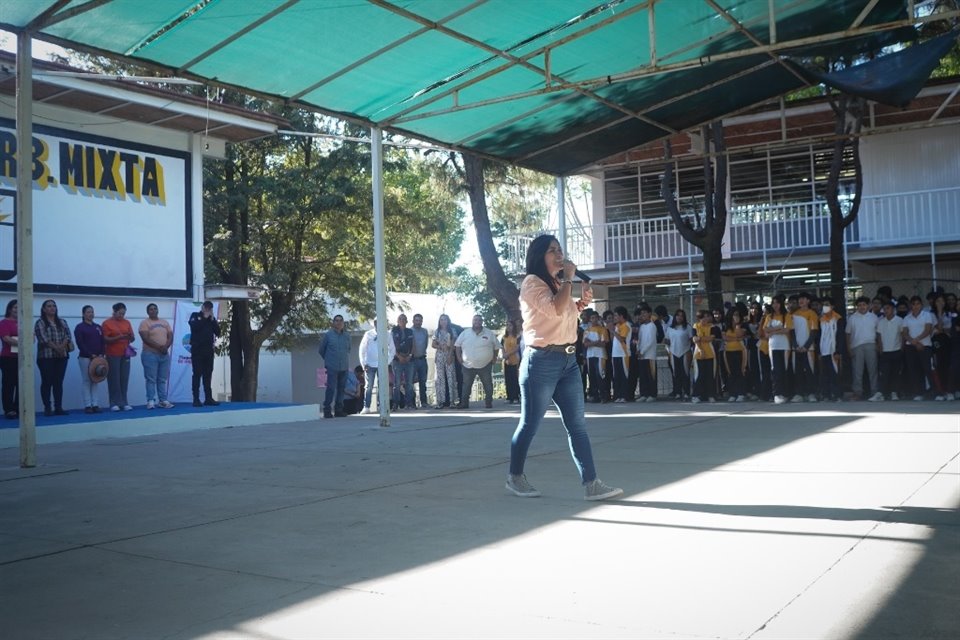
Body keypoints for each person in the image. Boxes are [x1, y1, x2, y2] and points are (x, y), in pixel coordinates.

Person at [506, 235, 622, 501]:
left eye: (560, 250)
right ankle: (514, 477)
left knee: (577, 426)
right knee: (530, 425)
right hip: (542, 362)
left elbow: (565, 314)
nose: (559, 254)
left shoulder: (558, 283)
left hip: (568, 362)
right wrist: (570, 279)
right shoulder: (532, 283)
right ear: (539, 256)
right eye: (552, 251)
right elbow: (555, 309)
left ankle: (592, 483)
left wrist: (580, 304)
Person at [35, 299, 74, 416]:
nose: (52, 308)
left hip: (62, 357)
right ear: (44, 309)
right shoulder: (40, 322)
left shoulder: (62, 321)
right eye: (49, 306)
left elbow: (68, 335)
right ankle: (47, 408)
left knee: (58, 382)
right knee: (47, 382)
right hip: (46, 357)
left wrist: (62, 347)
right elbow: (43, 339)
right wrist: (58, 348)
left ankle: (58, 407)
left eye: (54, 306)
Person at [454, 314, 501, 409]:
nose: (477, 322)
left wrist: (495, 357)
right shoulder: (465, 333)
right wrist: (459, 358)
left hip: (485, 365)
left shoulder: (489, 333)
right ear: (472, 321)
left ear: (482, 322)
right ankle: (464, 403)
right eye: (475, 320)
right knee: (466, 385)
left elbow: (496, 347)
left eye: (479, 320)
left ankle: (488, 402)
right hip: (468, 365)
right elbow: (457, 345)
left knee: (488, 384)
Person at [139, 303, 174, 410]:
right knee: (151, 379)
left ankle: (162, 400)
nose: (153, 311)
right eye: (151, 309)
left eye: (155, 309)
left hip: (164, 354)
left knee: (162, 379)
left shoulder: (164, 322)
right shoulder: (144, 323)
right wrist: (160, 347)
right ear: (147, 312)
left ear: (158, 310)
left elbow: (170, 336)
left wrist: (166, 347)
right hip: (150, 354)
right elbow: (145, 338)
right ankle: (150, 401)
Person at [846, 295, 882, 402]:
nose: (862, 307)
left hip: (871, 345)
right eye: (859, 305)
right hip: (856, 346)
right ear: (857, 306)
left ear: (869, 305)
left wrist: (879, 345)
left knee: (873, 370)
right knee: (857, 371)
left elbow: (878, 333)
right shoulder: (852, 318)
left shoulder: (874, 317)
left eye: (864, 305)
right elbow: (847, 334)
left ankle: (875, 392)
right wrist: (849, 348)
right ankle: (857, 393)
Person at [102, 302, 136, 412]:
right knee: (114, 378)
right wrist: (118, 337)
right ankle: (113, 402)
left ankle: (124, 402)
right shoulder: (107, 323)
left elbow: (132, 338)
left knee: (124, 378)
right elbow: (105, 339)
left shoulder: (127, 322)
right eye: (120, 313)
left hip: (125, 354)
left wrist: (130, 337)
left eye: (123, 313)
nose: (122, 316)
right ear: (114, 312)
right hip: (112, 354)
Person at [358, 318, 396, 414]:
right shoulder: (368, 334)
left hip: (382, 365)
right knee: (369, 386)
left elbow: (392, 349)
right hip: (370, 364)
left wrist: (387, 362)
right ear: (374, 324)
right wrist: (364, 363)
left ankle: (381, 406)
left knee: (382, 386)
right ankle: (366, 406)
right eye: (376, 323)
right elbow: (362, 350)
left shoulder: (387, 334)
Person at [761, 295, 793, 405]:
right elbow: (765, 330)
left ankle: (785, 393)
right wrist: (778, 329)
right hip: (773, 346)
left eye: (777, 303)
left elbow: (787, 329)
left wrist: (773, 331)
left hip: (784, 346)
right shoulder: (769, 316)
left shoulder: (786, 315)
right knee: (775, 370)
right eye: (773, 303)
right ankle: (777, 394)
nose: (775, 305)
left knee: (784, 369)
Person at [902, 295, 935, 401]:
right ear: (910, 305)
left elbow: (928, 330)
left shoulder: (927, 315)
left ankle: (934, 392)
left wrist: (917, 340)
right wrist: (914, 342)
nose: (915, 306)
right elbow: (905, 333)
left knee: (927, 369)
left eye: (918, 304)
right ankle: (918, 393)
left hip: (925, 346)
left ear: (921, 305)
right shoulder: (907, 318)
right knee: (914, 371)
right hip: (911, 347)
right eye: (913, 304)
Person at [74, 305, 106, 413]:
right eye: (88, 312)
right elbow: (80, 343)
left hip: (98, 358)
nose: (90, 314)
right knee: (87, 380)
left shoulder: (98, 327)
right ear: (83, 314)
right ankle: (88, 405)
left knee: (95, 380)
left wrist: (101, 354)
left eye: (92, 312)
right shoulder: (80, 327)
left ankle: (95, 404)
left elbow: (102, 342)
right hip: (85, 358)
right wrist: (89, 354)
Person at [188, 301, 220, 407]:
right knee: (197, 374)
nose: (207, 309)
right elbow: (195, 327)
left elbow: (218, 332)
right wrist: (205, 317)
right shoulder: (195, 316)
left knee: (208, 374)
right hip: (197, 350)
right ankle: (196, 399)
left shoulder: (211, 319)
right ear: (202, 307)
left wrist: (212, 320)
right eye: (206, 307)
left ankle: (208, 398)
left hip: (208, 351)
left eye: (209, 308)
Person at [318, 314, 350, 418]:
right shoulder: (328, 335)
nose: (339, 322)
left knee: (341, 389)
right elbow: (321, 350)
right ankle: (327, 410)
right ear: (333, 322)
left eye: (341, 320)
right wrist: (329, 361)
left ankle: (338, 410)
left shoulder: (347, 336)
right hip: (332, 366)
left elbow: (348, 349)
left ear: (343, 323)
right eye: (336, 320)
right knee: (331, 389)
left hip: (344, 367)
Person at [791, 292, 820, 402]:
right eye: (800, 299)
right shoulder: (793, 314)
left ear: (808, 301)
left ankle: (811, 393)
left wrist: (806, 346)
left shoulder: (812, 313)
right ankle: (799, 393)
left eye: (803, 298)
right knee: (797, 371)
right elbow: (792, 331)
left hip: (809, 348)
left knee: (810, 371)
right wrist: (795, 345)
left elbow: (814, 331)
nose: (801, 301)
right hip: (796, 348)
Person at [876, 300, 904, 401]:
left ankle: (894, 393)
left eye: (888, 308)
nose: (886, 310)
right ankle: (881, 393)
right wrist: (880, 348)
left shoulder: (899, 320)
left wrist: (902, 348)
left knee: (895, 373)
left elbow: (902, 335)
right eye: (885, 308)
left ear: (893, 309)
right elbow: (878, 335)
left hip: (896, 350)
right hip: (885, 352)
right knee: (884, 373)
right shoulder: (881, 321)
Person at [818, 298, 844, 402]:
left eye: (827, 304)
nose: (825, 306)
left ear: (832, 306)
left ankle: (837, 395)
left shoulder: (838, 318)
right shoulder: (821, 319)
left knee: (835, 373)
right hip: (823, 350)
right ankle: (826, 395)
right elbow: (819, 336)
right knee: (825, 374)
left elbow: (840, 336)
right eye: (823, 304)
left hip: (833, 350)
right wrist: (819, 351)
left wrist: (838, 350)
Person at [692, 310, 721, 403]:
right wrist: (700, 349)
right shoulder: (696, 326)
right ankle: (696, 395)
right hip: (698, 353)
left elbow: (711, 338)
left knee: (710, 375)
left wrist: (700, 338)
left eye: (706, 317)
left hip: (710, 353)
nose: (705, 319)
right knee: (699, 375)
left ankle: (711, 395)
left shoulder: (712, 327)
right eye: (703, 317)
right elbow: (694, 339)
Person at [664, 309, 692, 400]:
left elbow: (691, 339)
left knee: (685, 373)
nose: (679, 317)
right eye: (678, 315)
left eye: (681, 316)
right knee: (676, 373)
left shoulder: (687, 327)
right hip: (673, 353)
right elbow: (667, 340)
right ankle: (678, 392)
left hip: (685, 352)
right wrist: (668, 349)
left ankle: (687, 392)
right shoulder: (670, 328)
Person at [582, 311, 609, 403]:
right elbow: (585, 344)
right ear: (590, 319)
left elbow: (603, 344)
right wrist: (596, 342)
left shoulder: (603, 329)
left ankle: (603, 396)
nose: (594, 320)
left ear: (598, 318)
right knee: (592, 376)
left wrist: (591, 343)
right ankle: (595, 396)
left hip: (600, 355)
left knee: (600, 376)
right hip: (590, 356)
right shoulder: (587, 331)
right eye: (592, 318)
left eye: (596, 318)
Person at [432, 314, 457, 409]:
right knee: (439, 378)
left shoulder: (452, 331)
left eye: (445, 320)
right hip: (439, 355)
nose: (443, 321)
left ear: (448, 321)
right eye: (441, 320)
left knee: (451, 377)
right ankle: (440, 401)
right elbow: (433, 344)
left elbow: (454, 344)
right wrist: (439, 346)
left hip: (449, 354)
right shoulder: (437, 331)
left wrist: (450, 354)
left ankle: (452, 401)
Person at [723, 307, 747, 402]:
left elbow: (739, 335)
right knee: (731, 372)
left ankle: (741, 393)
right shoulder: (726, 326)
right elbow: (725, 338)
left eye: (737, 314)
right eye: (734, 314)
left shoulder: (743, 325)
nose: (735, 316)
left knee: (740, 371)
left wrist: (737, 325)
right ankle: (732, 393)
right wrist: (735, 339)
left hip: (740, 350)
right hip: (728, 351)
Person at [391, 313, 415, 410]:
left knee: (409, 383)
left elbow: (413, 345)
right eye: (400, 319)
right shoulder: (393, 331)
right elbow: (391, 345)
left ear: (407, 321)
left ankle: (409, 403)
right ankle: (396, 404)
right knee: (397, 383)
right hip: (397, 360)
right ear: (397, 321)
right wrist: (398, 356)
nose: (402, 320)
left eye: (404, 319)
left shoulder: (410, 331)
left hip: (409, 360)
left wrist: (410, 355)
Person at [0, 300, 19, 419]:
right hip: (8, 358)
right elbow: (6, 339)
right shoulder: (4, 323)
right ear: (10, 309)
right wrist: (22, 342)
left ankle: (19, 408)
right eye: (15, 307)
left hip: (21, 358)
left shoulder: (23, 322)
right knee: (8, 384)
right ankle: (9, 409)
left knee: (21, 384)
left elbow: (31, 337)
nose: (17, 310)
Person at [635, 305, 658, 402]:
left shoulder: (652, 326)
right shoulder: (642, 326)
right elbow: (640, 340)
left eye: (645, 313)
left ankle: (652, 394)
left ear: (649, 314)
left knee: (651, 375)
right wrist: (638, 349)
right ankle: (644, 394)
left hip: (650, 355)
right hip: (641, 355)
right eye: (641, 313)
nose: (643, 315)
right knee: (643, 375)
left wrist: (643, 351)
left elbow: (651, 341)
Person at [610, 306, 631, 403]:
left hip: (623, 354)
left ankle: (624, 396)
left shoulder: (626, 326)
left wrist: (613, 331)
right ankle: (618, 395)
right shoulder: (617, 326)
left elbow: (622, 339)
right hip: (615, 354)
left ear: (621, 316)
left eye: (616, 315)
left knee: (623, 375)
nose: (614, 317)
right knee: (617, 376)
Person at [410, 313, 430, 409]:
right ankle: (412, 403)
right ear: (413, 321)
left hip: (422, 359)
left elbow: (425, 344)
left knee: (423, 382)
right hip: (412, 360)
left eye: (420, 320)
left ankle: (424, 402)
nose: (418, 322)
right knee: (410, 382)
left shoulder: (424, 331)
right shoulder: (409, 331)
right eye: (416, 320)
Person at [501, 319, 522, 404]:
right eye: (507, 325)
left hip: (515, 359)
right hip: (507, 360)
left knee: (515, 378)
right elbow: (502, 347)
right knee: (508, 378)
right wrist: (504, 355)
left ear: (513, 327)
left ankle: (516, 396)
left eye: (510, 325)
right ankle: (509, 397)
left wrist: (508, 354)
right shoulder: (504, 337)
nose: (508, 327)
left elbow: (517, 347)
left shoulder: (517, 336)